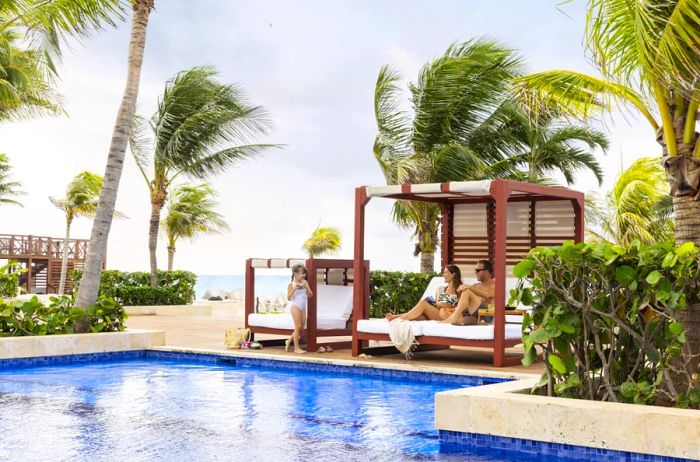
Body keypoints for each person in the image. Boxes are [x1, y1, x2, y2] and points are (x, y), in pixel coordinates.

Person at [386, 265, 463, 321]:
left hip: (447, 316)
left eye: (446, 272)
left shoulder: (459, 290)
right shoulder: (441, 289)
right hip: (437, 312)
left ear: (453, 274)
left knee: (423, 304)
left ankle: (399, 319)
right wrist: (444, 304)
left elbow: (456, 306)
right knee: (420, 316)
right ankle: (396, 318)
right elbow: (439, 303)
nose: (443, 275)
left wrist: (444, 304)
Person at [441, 260, 495, 325]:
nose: (475, 273)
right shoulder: (475, 286)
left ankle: (454, 318)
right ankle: (459, 319)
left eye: (478, 270)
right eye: (475, 270)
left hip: (487, 315)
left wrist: (468, 287)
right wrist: (456, 308)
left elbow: (487, 295)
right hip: (473, 315)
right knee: (443, 311)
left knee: (467, 291)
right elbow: (466, 302)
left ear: (486, 272)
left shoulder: (495, 286)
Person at [285, 264, 313, 353]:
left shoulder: (305, 282)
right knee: (297, 326)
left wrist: (307, 287)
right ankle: (296, 348)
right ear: (295, 273)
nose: (304, 275)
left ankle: (289, 340)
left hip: (303, 308)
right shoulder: (291, 284)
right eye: (302, 273)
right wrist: (294, 289)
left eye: (305, 273)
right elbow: (288, 298)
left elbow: (310, 295)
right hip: (295, 307)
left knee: (301, 328)